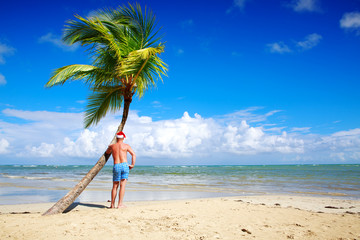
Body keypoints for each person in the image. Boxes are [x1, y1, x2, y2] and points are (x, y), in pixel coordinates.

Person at [106, 131, 136, 208]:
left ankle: (112, 205)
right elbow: (133, 154)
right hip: (124, 165)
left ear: (116, 138)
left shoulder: (112, 146)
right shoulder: (126, 146)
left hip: (116, 165)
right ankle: (120, 204)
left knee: (115, 186)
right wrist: (132, 164)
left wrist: (110, 147)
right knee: (122, 186)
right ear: (123, 138)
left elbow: (107, 153)